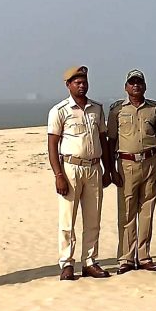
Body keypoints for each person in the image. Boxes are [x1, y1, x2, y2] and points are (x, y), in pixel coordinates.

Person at [46, 66, 119, 281]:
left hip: (94, 168)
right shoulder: (59, 110)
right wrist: (58, 174)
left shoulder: (96, 109)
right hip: (70, 168)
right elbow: (52, 145)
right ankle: (67, 263)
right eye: (77, 82)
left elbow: (104, 141)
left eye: (84, 81)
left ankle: (89, 261)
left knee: (93, 218)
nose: (82, 85)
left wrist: (108, 170)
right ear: (68, 85)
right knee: (67, 219)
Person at [107, 69, 156, 274]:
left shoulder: (155, 109)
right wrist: (111, 169)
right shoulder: (116, 110)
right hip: (126, 164)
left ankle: (144, 256)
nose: (136, 86)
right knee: (127, 211)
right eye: (132, 83)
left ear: (145, 86)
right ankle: (125, 258)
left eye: (139, 83)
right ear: (126, 87)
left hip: (151, 162)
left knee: (147, 212)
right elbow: (111, 141)